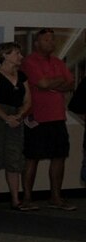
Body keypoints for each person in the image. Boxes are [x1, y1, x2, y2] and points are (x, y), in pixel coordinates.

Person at [21, 28, 76, 211]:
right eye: (46, 40)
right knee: (32, 158)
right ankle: (27, 198)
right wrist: (57, 82)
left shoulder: (58, 62)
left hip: (58, 117)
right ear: (37, 43)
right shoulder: (29, 62)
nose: (51, 43)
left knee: (59, 156)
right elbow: (42, 84)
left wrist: (52, 83)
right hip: (36, 117)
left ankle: (56, 197)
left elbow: (70, 83)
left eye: (52, 40)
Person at [0, 42, 33, 210]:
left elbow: (28, 101)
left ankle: (15, 199)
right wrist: (5, 117)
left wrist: (18, 115)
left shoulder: (22, 76)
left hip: (16, 119)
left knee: (14, 158)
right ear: (5, 55)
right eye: (17, 53)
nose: (21, 56)